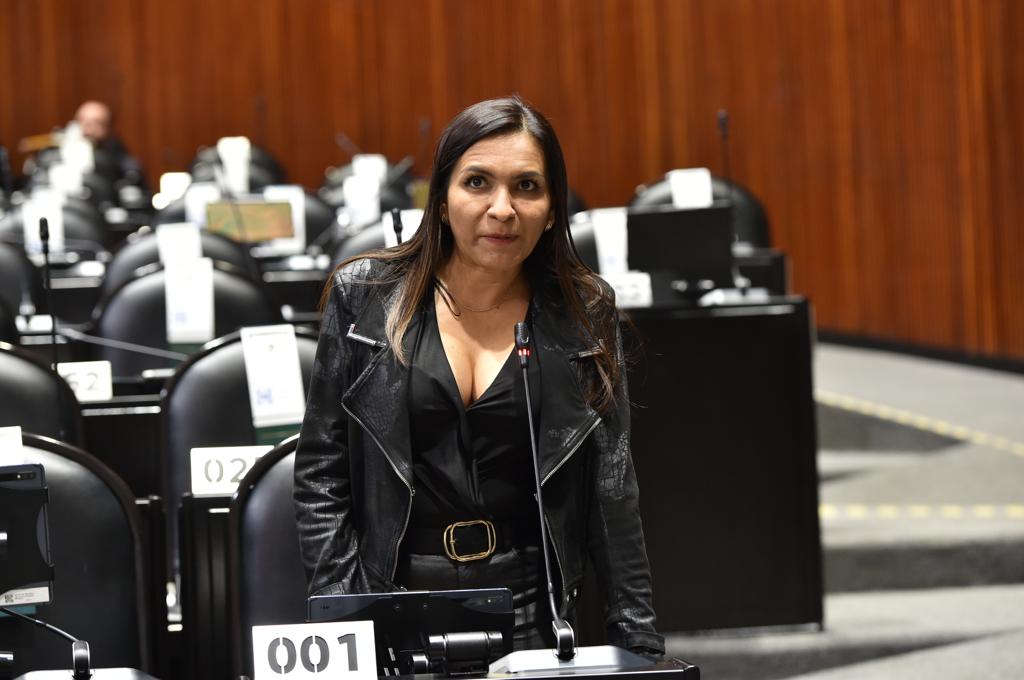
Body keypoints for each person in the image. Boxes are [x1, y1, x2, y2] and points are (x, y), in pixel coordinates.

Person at [294, 95, 664, 657]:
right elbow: (322, 476)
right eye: (477, 183)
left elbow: (612, 492)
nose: (502, 209)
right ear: (442, 201)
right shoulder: (365, 296)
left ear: (552, 208)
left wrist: (638, 642)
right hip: (390, 601)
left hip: (533, 610)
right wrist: (344, 620)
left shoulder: (584, 311)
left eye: (527, 187)